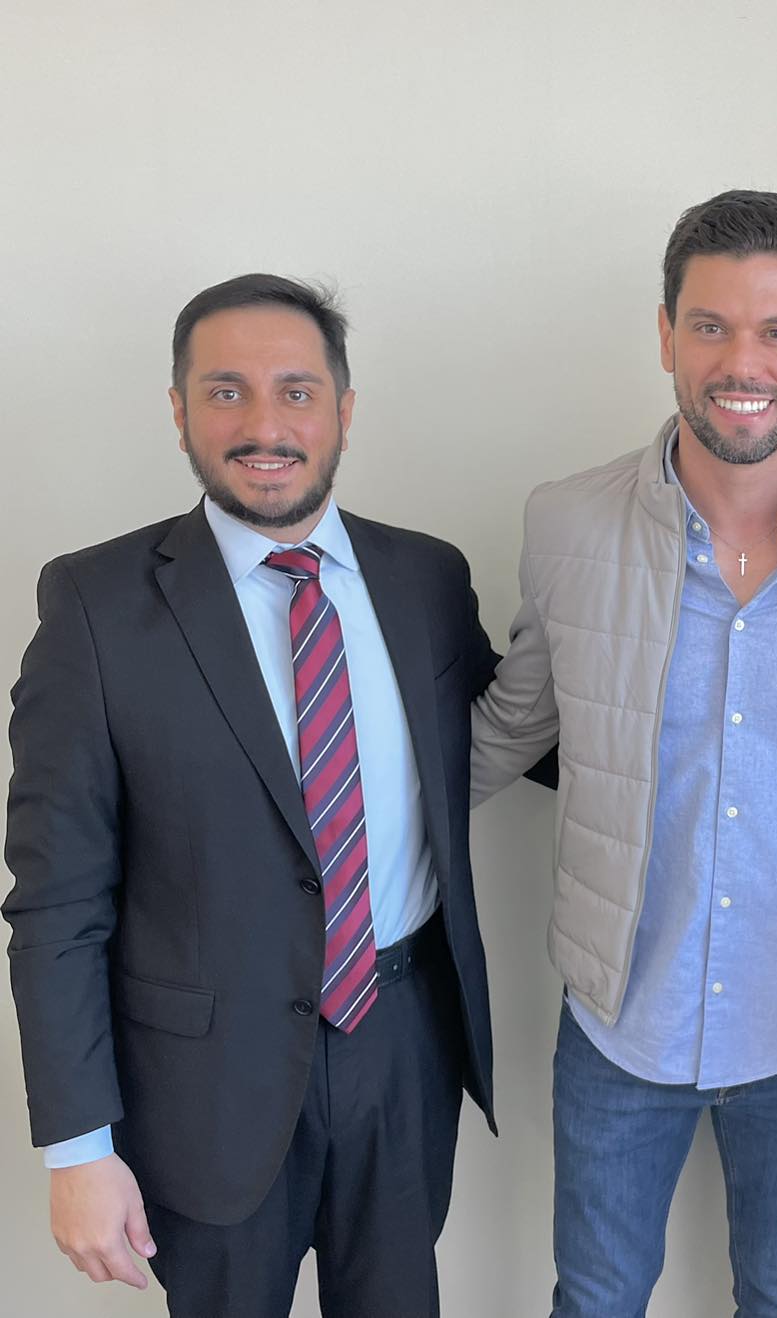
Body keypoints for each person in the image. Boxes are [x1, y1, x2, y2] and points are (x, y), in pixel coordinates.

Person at [4, 274, 534, 1316]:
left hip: (403, 1042)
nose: (264, 424)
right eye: (226, 391)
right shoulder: (95, 607)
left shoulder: (427, 579)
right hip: (204, 1082)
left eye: (296, 391)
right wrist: (77, 1148)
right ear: (179, 411)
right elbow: (56, 902)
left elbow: (520, 727)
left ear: (343, 408)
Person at [469, 189, 777, 1317]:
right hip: (617, 1025)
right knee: (594, 1300)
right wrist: (323, 814)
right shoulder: (569, 522)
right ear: (666, 335)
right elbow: (511, 725)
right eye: (711, 326)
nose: (744, 362)